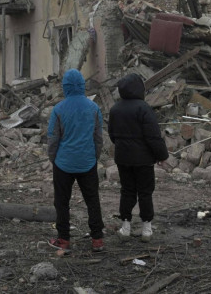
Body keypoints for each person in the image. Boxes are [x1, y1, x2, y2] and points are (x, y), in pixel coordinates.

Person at [47, 69, 105, 253]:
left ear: (65, 87)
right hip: (87, 162)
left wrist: (53, 159)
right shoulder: (93, 108)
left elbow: (53, 138)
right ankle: (97, 239)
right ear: (82, 85)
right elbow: (98, 138)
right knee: (92, 200)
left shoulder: (58, 109)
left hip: (63, 163)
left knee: (62, 202)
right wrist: (94, 157)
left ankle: (63, 240)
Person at [108, 73, 169, 242]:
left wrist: (122, 146)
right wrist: (162, 155)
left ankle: (125, 228)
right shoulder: (144, 108)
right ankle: (146, 230)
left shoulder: (115, 109)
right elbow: (153, 136)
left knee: (127, 191)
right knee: (145, 192)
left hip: (123, 158)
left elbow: (112, 134)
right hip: (144, 160)